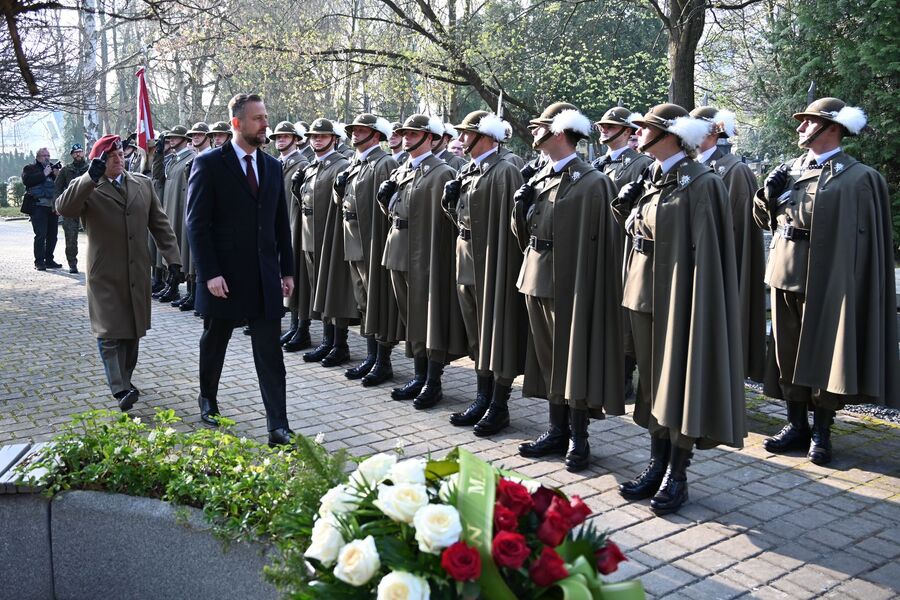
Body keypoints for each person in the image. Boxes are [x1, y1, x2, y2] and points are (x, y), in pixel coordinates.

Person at [612, 103, 745, 514]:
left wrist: (697, 307)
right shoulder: (653, 176)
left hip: (678, 300)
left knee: (677, 385)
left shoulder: (701, 182)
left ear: (671, 134)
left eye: (647, 128)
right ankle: (655, 463)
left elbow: (705, 253)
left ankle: (677, 473)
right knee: (652, 384)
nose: (638, 133)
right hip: (641, 294)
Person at [754, 97, 899, 464]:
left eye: (808, 122)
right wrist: (766, 196)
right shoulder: (789, 168)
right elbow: (764, 219)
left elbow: (864, 240)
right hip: (785, 274)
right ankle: (796, 424)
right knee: (787, 352)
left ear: (831, 128)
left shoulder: (858, 177)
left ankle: (822, 430)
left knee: (824, 355)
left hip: (829, 281)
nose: (800, 127)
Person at [512, 102, 624, 473]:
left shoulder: (592, 181)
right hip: (537, 274)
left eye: (540, 127)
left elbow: (605, 245)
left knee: (572, 358)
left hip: (572, 282)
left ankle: (579, 435)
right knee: (547, 357)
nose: (533, 133)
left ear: (559, 132)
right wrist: (520, 208)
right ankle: (556, 429)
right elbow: (525, 233)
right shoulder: (541, 176)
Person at [185, 93, 295, 447]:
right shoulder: (209, 164)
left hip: (264, 278)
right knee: (215, 341)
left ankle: (278, 426)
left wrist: (287, 270)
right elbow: (196, 225)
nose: (266, 124)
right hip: (224, 279)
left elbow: (281, 224)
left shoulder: (273, 167)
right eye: (258, 119)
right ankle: (208, 399)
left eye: (266, 117)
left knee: (270, 354)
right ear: (237, 123)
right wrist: (209, 273)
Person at [56, 135, 181, 412]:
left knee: (132, 330)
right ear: (99, 160)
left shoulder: (142, 184)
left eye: (121, 155)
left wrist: (174, 260)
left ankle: (126, 379)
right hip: (104, 272)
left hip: (137, 268)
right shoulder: (87, 186)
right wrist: (89, 177)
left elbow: (160, 224)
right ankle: (120, 387)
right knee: (109, 331)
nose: (118, 159)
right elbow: (64, 208)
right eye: (111, 156)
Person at [442, 110, 526, 436]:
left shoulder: (504, 170)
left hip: (492, 263)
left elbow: (510, 227)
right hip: (468, 261)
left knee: (496, 334)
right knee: (478, 336)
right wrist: (449, 203)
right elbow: (463, 219)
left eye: (467, 134)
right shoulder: (471, 170)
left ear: (487, 137)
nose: (461, 140)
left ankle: (499, 404)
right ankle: (482, 396)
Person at [378, 114, 463, 408]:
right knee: (410, 316)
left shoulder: (440, 172)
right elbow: (395, 210)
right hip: (399, 248)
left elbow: (444, 220)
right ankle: (418, 374)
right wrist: (384, 200)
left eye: (414, 134)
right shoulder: (404, 168)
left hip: (425, 253)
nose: (407, 138)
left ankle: (433, 380)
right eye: (404, 133)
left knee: (429, 317)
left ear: (430, 137)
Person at [691, 106, 766, 383]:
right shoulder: (690, 168)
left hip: (721, 269)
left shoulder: (735, 171)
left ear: (713, 131)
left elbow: (738, 233)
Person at [592, 106, 654, 402]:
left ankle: (624, 377)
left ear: (627, 131)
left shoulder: (640, 164)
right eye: (602, 125)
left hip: (623, 245)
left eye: (610, 125)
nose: (603, 129)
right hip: (598, 246)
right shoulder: (599, 162)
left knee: (622, 315)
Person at [334, 113, 400, 386]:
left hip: (370, 240)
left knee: (377, 301)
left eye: (361, 130)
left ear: (376, 135)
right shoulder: (356, 161)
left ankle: (383, 361)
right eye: (353, 130)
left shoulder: (383, 163)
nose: (355, 134)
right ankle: (372, 357)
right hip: (353, 239)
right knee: (363, 302)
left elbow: (385, 210)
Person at [293, 118, 352, 363]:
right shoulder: (312, 166)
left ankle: (339, 343)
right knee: (318, 288)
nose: (317, 139)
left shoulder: (341, 165)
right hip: (309, 235)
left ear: (334, 139)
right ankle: (327, 340)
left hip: (328, 236)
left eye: (322, 136)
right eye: (314, 136)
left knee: (332, 289)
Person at [271, 121, 311, 348]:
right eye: (278, 137)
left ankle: (300, 328)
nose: (281, 140)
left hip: (294, 225)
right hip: (277, 226)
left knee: (296, 277)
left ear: (296, 140)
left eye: (286, 137)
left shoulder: (301, 164)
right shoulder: (277, 163)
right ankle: (291, 326)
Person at [151, 125, 192, 303]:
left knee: (180, 250)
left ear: (184, 139)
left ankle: (176, 285)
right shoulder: (173, 159)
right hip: (169, 206)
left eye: (175, 137)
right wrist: (158, 154)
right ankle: (171, 284)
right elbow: (157, 176)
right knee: (168, 247)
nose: (171, 140)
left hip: (180, 208)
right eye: (170, 138)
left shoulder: (191, 158)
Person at [22, 148, 62, 271]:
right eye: (44, 155)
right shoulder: (30, 168)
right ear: (38, 156)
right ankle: (39, 262)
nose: (47, 157)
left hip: (52, 206)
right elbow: (27, 181)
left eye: (48, 155)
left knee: (53, 236)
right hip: (37, 206)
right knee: (41, 235)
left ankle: (49, 260)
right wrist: (43, 173)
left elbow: (60, 186)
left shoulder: (52, 168)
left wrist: (57, 175)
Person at [54, 144, 90, 273]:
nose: (78, 154)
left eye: (80, 152)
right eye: (75, 152)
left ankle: (95, 263)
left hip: (89, 205)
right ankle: (72, 263)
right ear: (72, 155)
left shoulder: (91, 168)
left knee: (95, 235)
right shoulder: (65, 170)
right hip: (71, 205)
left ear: (83, 153)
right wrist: (57, 205)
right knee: (70, 236)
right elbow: (57, 188)